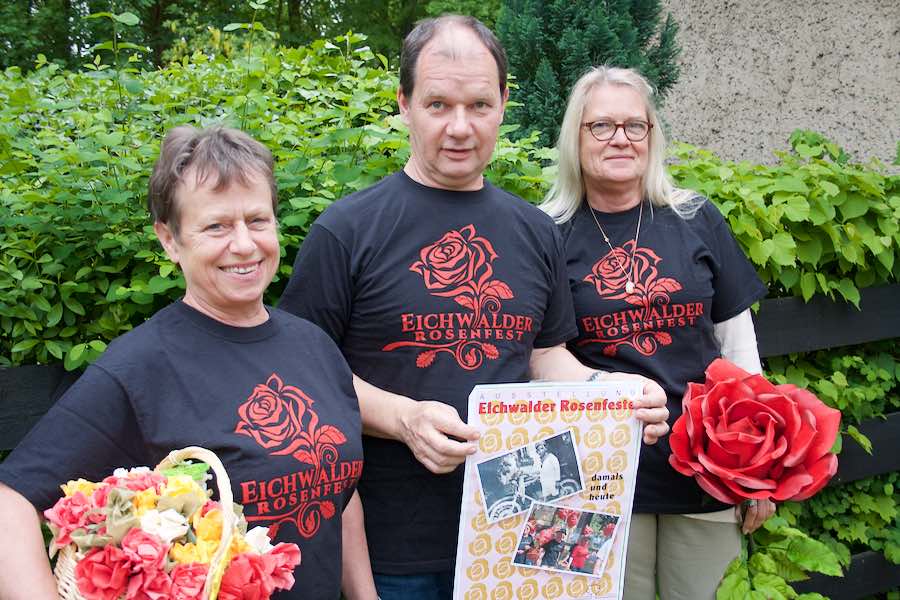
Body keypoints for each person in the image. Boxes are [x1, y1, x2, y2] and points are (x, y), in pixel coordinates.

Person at [277, 16, 670, 600]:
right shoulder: (347, 231)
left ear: (504, 104)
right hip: (394, 543)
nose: (460, 128)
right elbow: (302, 376)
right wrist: (404, 418)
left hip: (529, 529)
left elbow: (545, 355)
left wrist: (613, 392)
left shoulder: (534, 230)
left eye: (479, 105)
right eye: (438, 104)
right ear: (404, 103)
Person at [0, 126, 376, 600]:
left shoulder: (314, 346)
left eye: (257, 220)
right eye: (216, 226)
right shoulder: (140, 367)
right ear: (170, 240)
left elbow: (336, 491)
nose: (244, 244)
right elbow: (9, 503)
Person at [539, 66, 777, 599]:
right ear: (575, 137)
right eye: (600, 126)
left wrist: (757, 464)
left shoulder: (696, 218)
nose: (620, 138)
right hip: (597, 476)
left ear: (652, 135)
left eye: (634, 125)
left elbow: (738, 347)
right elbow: (538, 356)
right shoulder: (547, 234)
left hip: (705, 470)